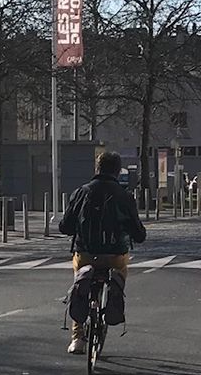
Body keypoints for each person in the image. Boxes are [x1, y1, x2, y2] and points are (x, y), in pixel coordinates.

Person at [59, 151, 147, 355]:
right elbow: (137, 231)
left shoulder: (82, 192)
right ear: (117, 171)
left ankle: (77, 338)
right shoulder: (124, 196)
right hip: (115, 255)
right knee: (119, 272)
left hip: (86, 252)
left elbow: (65, 226)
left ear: (97, 169)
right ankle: (114, 298)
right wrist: (137, 234)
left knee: (79, 285)